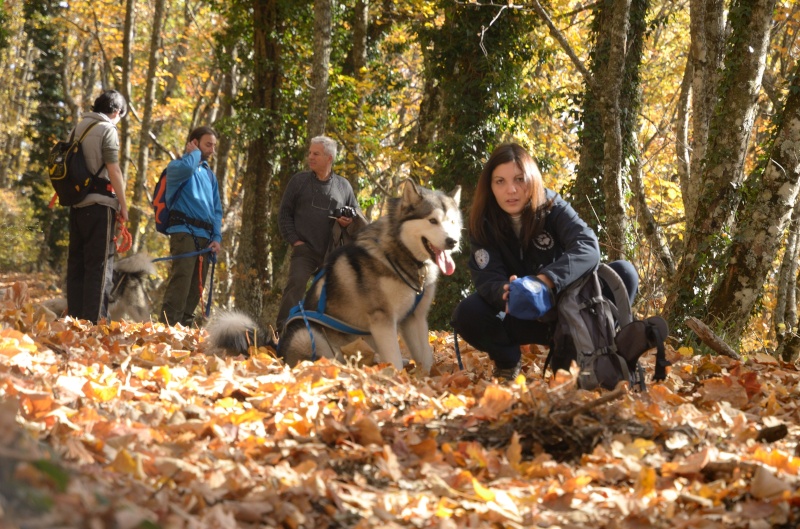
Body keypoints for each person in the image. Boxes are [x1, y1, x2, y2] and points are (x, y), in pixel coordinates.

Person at [451, 143, 639, 380]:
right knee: (467, 312)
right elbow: (487, 276)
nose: (511, 190)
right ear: (490, 186)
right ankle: (508, 363)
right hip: (519, 311)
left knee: (624, 272)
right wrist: (505, 291)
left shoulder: (552, 206)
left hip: (569, 311)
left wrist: (544, 281)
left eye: (519, 179)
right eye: (500, 181)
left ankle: (587, 347)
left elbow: (588, 247)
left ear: (533, 179)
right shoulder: (484, 220)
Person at [275, 135, 364, 331]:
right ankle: (282, 331)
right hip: (304, 250)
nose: (310, 157)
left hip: (332, 253)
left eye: (316, 153)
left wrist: (347, 221)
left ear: (329, 158)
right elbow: (284, 214)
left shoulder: (344, 186)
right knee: (295, 287)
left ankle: (323, 333)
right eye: (310, 153)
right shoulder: (299, 181)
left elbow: (357, 217)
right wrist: (295, 241)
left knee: (329, 295)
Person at [66, 89, 129, 324]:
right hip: (101, 205)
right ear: (116, 111)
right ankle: (95, 322)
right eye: (121, 116)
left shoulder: (77, 129)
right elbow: (113, 169)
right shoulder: (107, 129)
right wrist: (123, 205)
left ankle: (74, 319)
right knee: (100, 266)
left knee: (77, 264)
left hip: (77, 204)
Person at [159, 126, 223, 327]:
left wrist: (217, 237)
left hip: (205, 236)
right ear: (194, 143)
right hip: (183, 232)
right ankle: (167, 328)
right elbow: (188, 168)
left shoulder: (210, 176)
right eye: (207, 145)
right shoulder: (177, 167)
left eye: (214, 145)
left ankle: (184, 329)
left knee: (197, 287)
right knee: (182, 281)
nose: (212, 150)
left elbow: (216, 210)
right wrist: (193, 153)